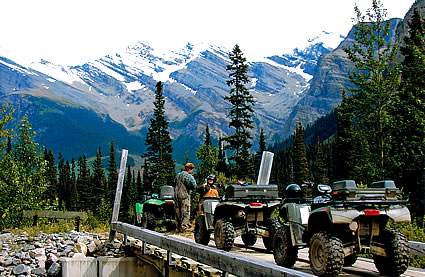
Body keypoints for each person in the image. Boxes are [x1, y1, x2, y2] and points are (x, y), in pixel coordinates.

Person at [175, 162, 197, 232]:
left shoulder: (178, 175)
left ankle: (178, 227)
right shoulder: (188, 176)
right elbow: (193, 186)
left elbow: (174, 182)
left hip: (176, 196)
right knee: (185, 212)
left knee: (178, 212)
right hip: (184, 196)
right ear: (190, 169)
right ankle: (184, 227)